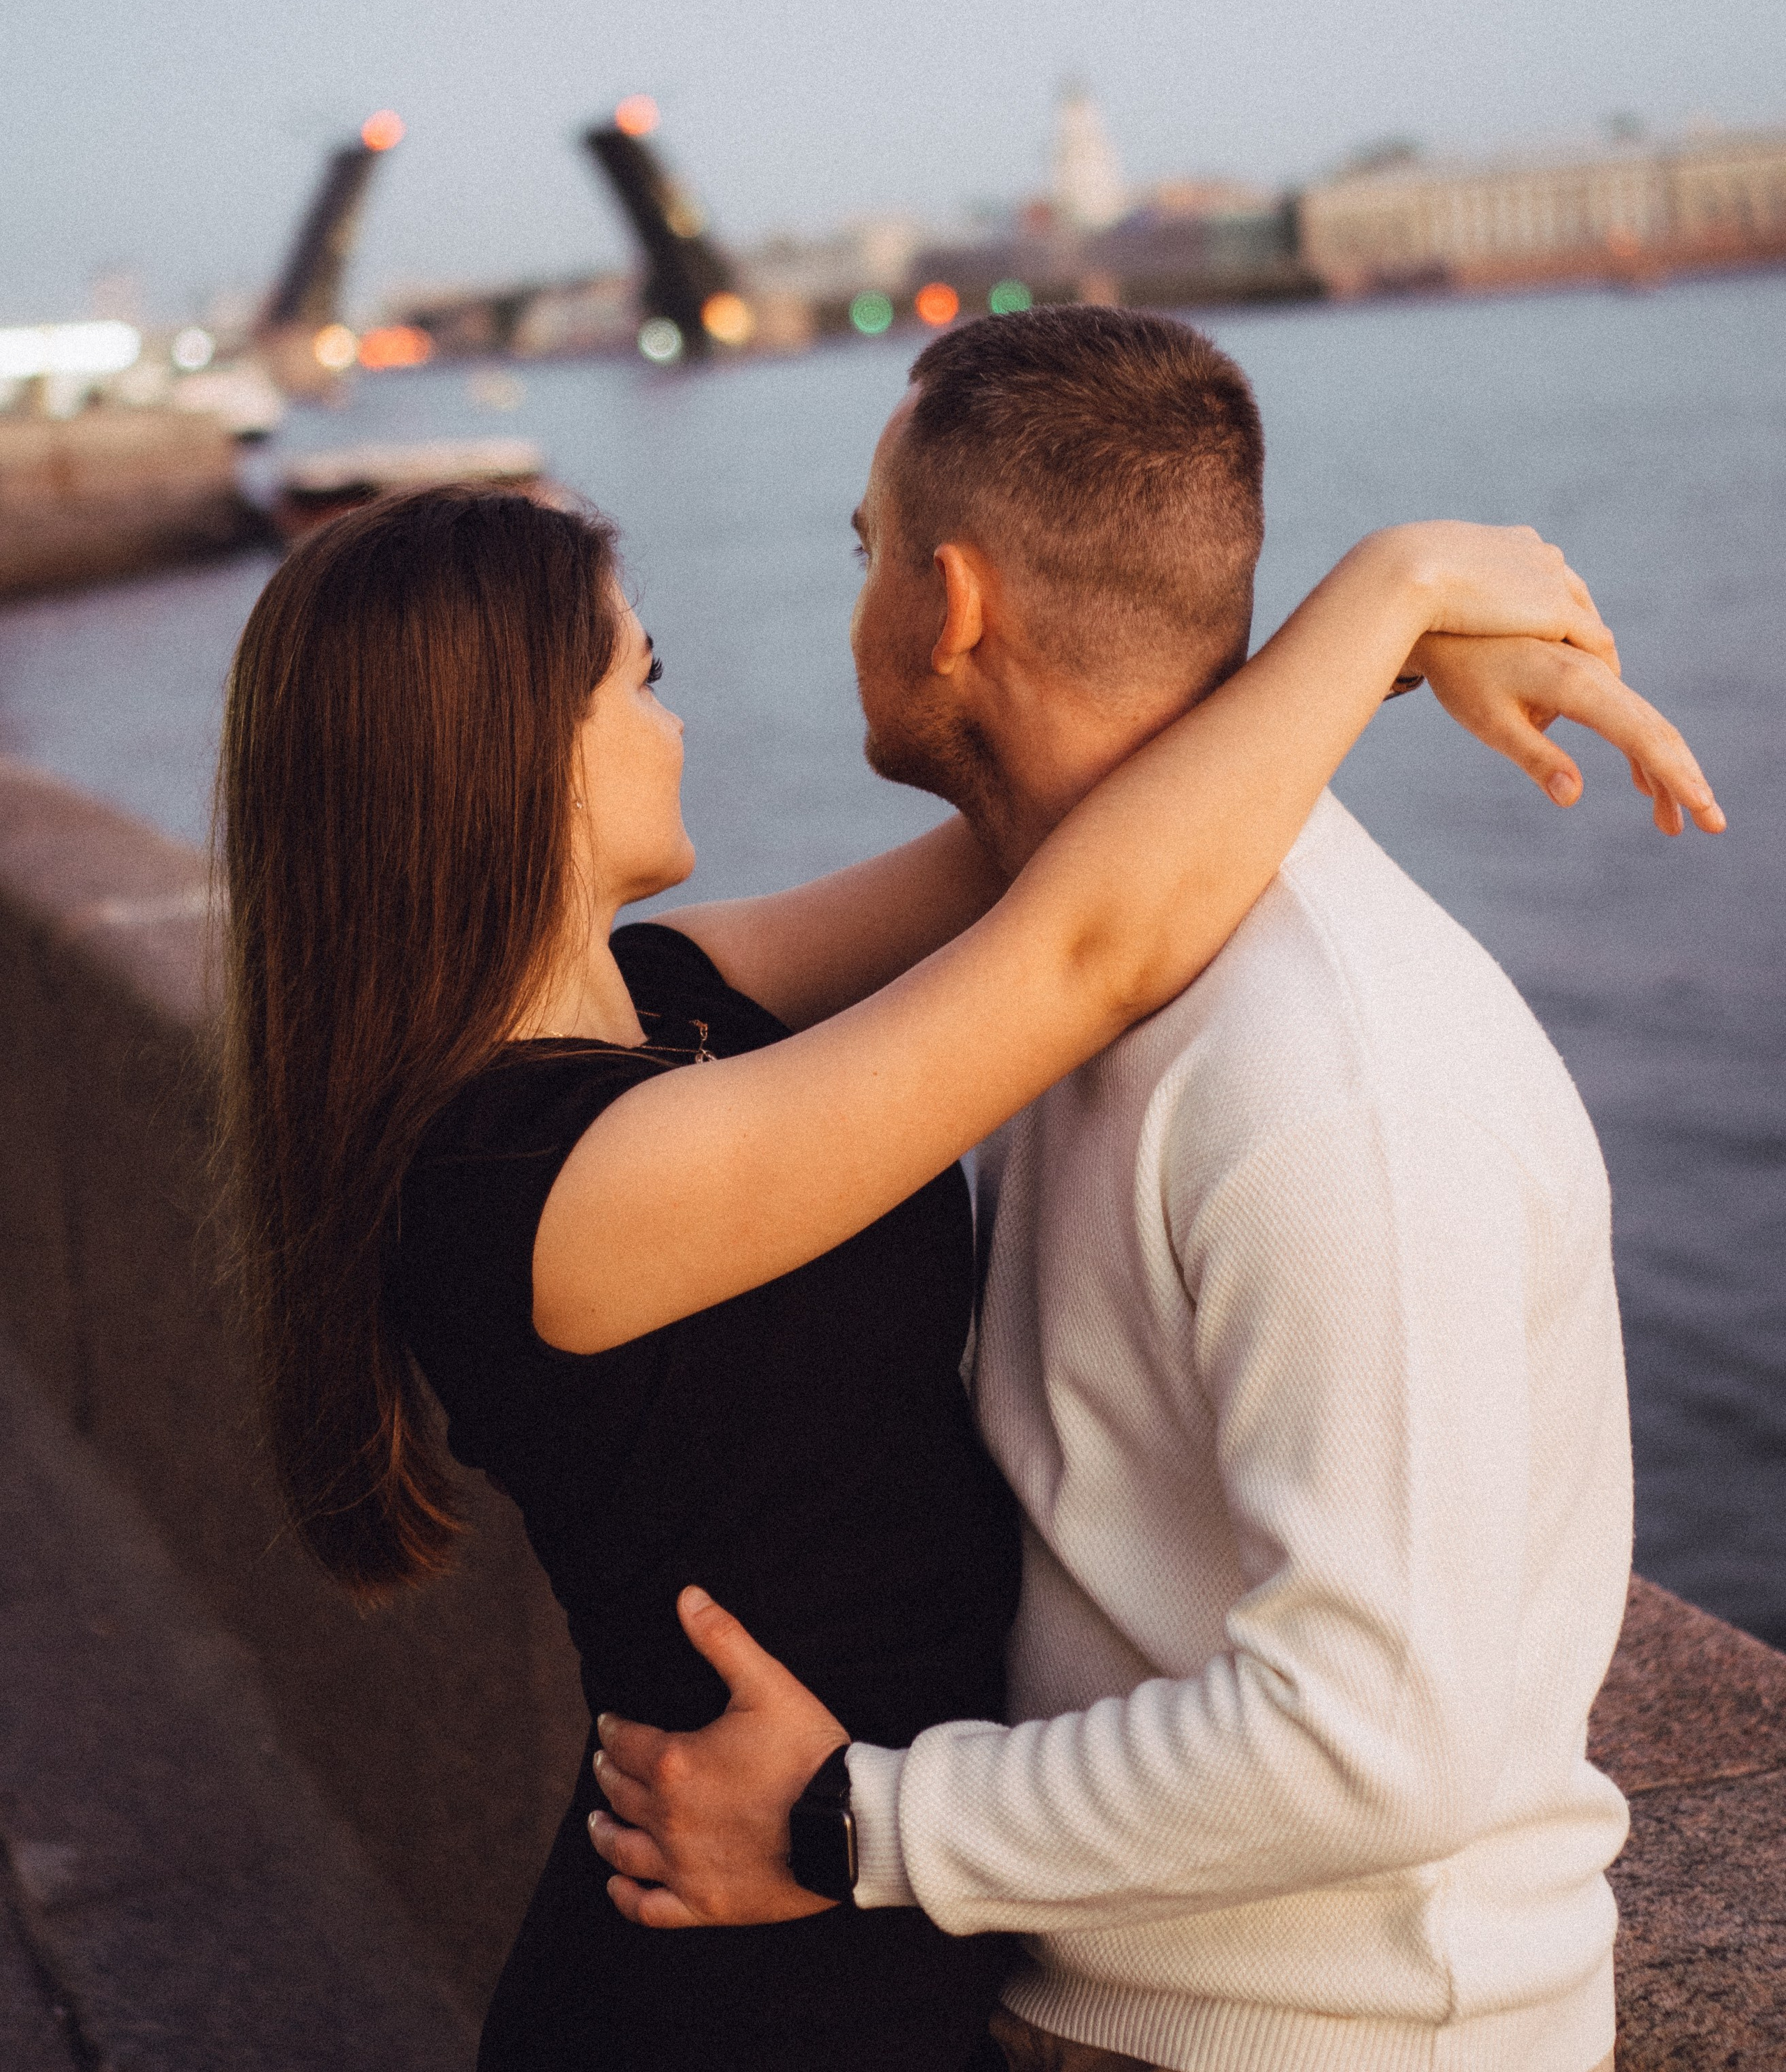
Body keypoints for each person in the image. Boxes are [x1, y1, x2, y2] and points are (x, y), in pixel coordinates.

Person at [214, 345, 1713, 2072]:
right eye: (641, 677)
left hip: (880, 1904)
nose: (678, 718)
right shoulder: (536, 1182)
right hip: (741, 1973)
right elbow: (1083, 944)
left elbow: (1070, 835)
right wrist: (1396, 582)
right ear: (509, 756)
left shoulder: (668, 997)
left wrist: (1380, 653)